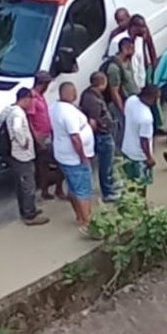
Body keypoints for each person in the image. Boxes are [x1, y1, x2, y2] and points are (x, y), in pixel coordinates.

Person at [0, 88, 49, 226]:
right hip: (21, 155)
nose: (31, 103)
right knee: (28, 185)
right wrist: (23, 142)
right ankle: (30, 215)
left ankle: (26, 210)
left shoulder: (10, 109)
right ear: (25, 99)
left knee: (21, 184)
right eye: (30, 100)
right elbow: (18, 129)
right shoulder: (18, 114)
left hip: (14, 154)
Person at [49, 82, 96, 235]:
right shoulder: (68, 113)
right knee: (83, 191)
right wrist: (82, 156)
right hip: (74, 158)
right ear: (70, 93)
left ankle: (79, 216)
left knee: (73, 187)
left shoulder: (55, 107)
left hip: (63, 155)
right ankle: (87, 222)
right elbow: (75, 138)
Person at [79, 72, 119, 203]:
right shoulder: (94, 100)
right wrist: (102, 130)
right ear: (102, 83)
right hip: (103, 135)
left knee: (108, 163)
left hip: (102, 134)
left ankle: (111, 185)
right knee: (105, 164)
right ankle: (107, 192)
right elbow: (93, 121)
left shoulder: (88, 94)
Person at [26, 71, 65, 200]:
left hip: (47, 134)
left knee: (46, 165)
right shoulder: (32, 98)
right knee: (51, 164)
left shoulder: (40, 96)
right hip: (41, 137)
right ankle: (52, 190)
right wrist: (37, 139)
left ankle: (47, 190)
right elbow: (30, 119)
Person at [121, 86, 160, 195]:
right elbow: (144, 140)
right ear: (151, 98)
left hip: (127, 150)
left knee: (129, 183)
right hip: (140, 156)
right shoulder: (146, 117)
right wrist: (149, 157)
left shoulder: (131, 100)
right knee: (141, 185)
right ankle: (141, 208)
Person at [102, 36, 140, 147]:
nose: (134, 51)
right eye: (131, 48)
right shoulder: (114, 68)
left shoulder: (127, 61)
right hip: (122, 103)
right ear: (124, 48)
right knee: (123, 128)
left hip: (132, 101)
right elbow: (114, 92)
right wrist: (123, 110)